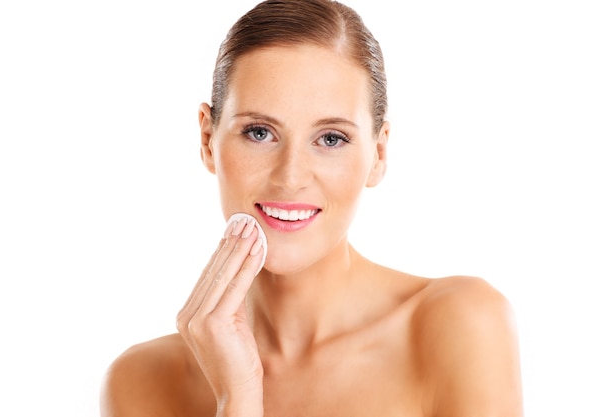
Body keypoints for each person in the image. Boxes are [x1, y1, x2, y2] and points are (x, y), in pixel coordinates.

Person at [100, 0, 524, 416]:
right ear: (207, 139)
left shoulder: (461, 324)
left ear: (378, 155)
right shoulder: (143, 381)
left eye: (331, 139)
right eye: (260, 132)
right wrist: (238, 399)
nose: (290, 176)